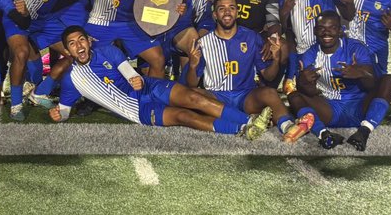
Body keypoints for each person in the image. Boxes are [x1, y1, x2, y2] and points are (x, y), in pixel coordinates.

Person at [51, 26, 248, 134]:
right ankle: (240, 129)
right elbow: (65, 111)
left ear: (89, 41)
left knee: (194, 98)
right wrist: (60, 115)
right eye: (72, 44)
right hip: (138, 110)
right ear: (68, 51)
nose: (79, 46)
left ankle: (249, 121)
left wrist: (137, 80)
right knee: (183, 116)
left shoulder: (108, 51)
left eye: (81, 40)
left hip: (149, 87)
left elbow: (130, 74)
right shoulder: (71, 80)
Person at [285, 11, 391, 150]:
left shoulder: (356, 48)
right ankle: (324, 135)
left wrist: (361, 73)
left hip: (360, 106)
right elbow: (310, 93)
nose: (326, 32)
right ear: (314, 31)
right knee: (294, 96)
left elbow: (372, 85)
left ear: (340, 30)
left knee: (389, 80)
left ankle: (364, 132)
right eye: (321, 28)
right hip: (329, 109)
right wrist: (302, 83)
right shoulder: (309, 55)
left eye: (332, 28)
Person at [186, 0, 283, 139]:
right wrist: (193, 66)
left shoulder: (252, 37)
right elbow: (192, 83)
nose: (227, 12)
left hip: (245, 97)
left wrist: (276, 59)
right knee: (191, 95)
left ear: (237, 12)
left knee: (270, 93)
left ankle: (288, 127)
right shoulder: (203, 43)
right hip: (216, 97)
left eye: (231, 8)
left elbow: (269, 75)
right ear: (215, 15)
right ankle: (247, 120)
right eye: (221, 8)